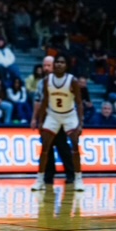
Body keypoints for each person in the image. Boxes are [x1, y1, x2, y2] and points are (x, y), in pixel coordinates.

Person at [31, 54, 85, 192]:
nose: (59, 64)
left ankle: (78, 179)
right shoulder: (47, 80)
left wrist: (80, 123)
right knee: (45, 148)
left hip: (69, 115)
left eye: (62, 62)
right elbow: (44, 101)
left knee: (74, 147)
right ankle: (40, 180)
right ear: (54, 65)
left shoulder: (72, 80)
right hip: (53, 115)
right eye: (57, 62)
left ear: (66, 65)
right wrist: (41, 120)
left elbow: (79, 103)